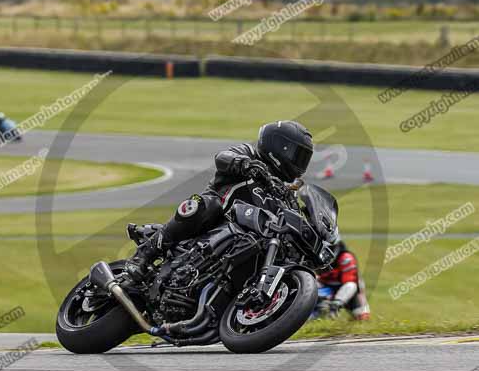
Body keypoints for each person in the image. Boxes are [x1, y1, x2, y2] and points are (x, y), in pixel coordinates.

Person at [124, 120, 338, 283]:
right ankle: (144, 254)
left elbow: (295, 220)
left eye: (304, 158)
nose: (300, 163)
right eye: (297, 155)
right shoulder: (250, 154)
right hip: (215, 220)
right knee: (203, 204)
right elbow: (223, 156)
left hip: (244, 243)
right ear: (279, 147)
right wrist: (246, 165)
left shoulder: (286, 192)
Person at [315, 240, 370, 320]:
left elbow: (352, 285)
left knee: (362, 316)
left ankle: (335, 306)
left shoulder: (346, 258)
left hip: (346, 292)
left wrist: (337, 301)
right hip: (325, 289)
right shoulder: (315, 257)